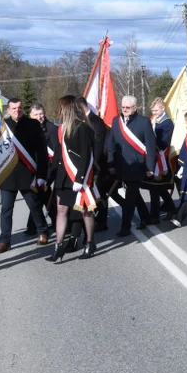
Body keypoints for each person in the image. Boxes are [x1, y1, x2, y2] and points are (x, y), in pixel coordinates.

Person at [0, 98, 49, 254]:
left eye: (19, 108)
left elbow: (41, 152)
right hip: (8, 175)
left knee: (34, 205)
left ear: (23, 109)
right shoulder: (1, 127)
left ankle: (43, 232)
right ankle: (4, 241)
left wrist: (41, 175)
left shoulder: (33, 125)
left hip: (27, 174)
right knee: (6, 210)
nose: (16, 111)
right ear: (8, 110)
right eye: (13, 108)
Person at [47, 95, 98, 262]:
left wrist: (80, 178)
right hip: (63, 176)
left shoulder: (82, 128)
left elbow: (86, 155)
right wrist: (49, 178)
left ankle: (90, 243)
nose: (59, 111)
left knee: (85, 210)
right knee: (61, 211)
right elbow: (57, 156)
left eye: (61, 107)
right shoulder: (60, 129)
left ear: (67, 109)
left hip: (78, 177)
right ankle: (58, 246)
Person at [109, 95, 156, 236]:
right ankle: (146, 217)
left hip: (136, 166)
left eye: (128, 107)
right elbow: (111, 144)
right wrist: (111, 163)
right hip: (121, 165)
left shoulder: (144, 122)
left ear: (135, 108)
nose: (124, 110)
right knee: (134, 194)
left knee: (130, 197)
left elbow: (151, 147)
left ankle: (125, 226)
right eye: (123, 107)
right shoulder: (116, 121)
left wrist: (150, 168)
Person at [77, 96, 111, 233]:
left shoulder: (95, 121)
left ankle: (102, 221)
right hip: (87, 163)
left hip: (96, 164)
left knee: (100, 193)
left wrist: (93, 164)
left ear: (81, 107)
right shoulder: (84, 121)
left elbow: (97, 145)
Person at [25, 102, 57, 235]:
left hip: (48, 169)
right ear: (30, 116)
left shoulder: (52, 129)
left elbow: (56, 151)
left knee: (41, 195)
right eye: (36, 115)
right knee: (40, 196)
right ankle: (38, 225)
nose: (39, 117)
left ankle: (36, 226)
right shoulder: (27, 129)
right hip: (33, 168)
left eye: (41, 114)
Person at [147, 97, 178, 224]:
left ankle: (155, 216)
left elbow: (164, 142)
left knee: (156, 188)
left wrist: (149, 142)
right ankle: (171, 209)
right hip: (154, 157)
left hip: (162, 160)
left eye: (156, 110)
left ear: (163, 108)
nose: (154, 113)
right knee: (157, 188)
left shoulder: (167, 123)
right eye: (153, 111)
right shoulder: (154, 120)